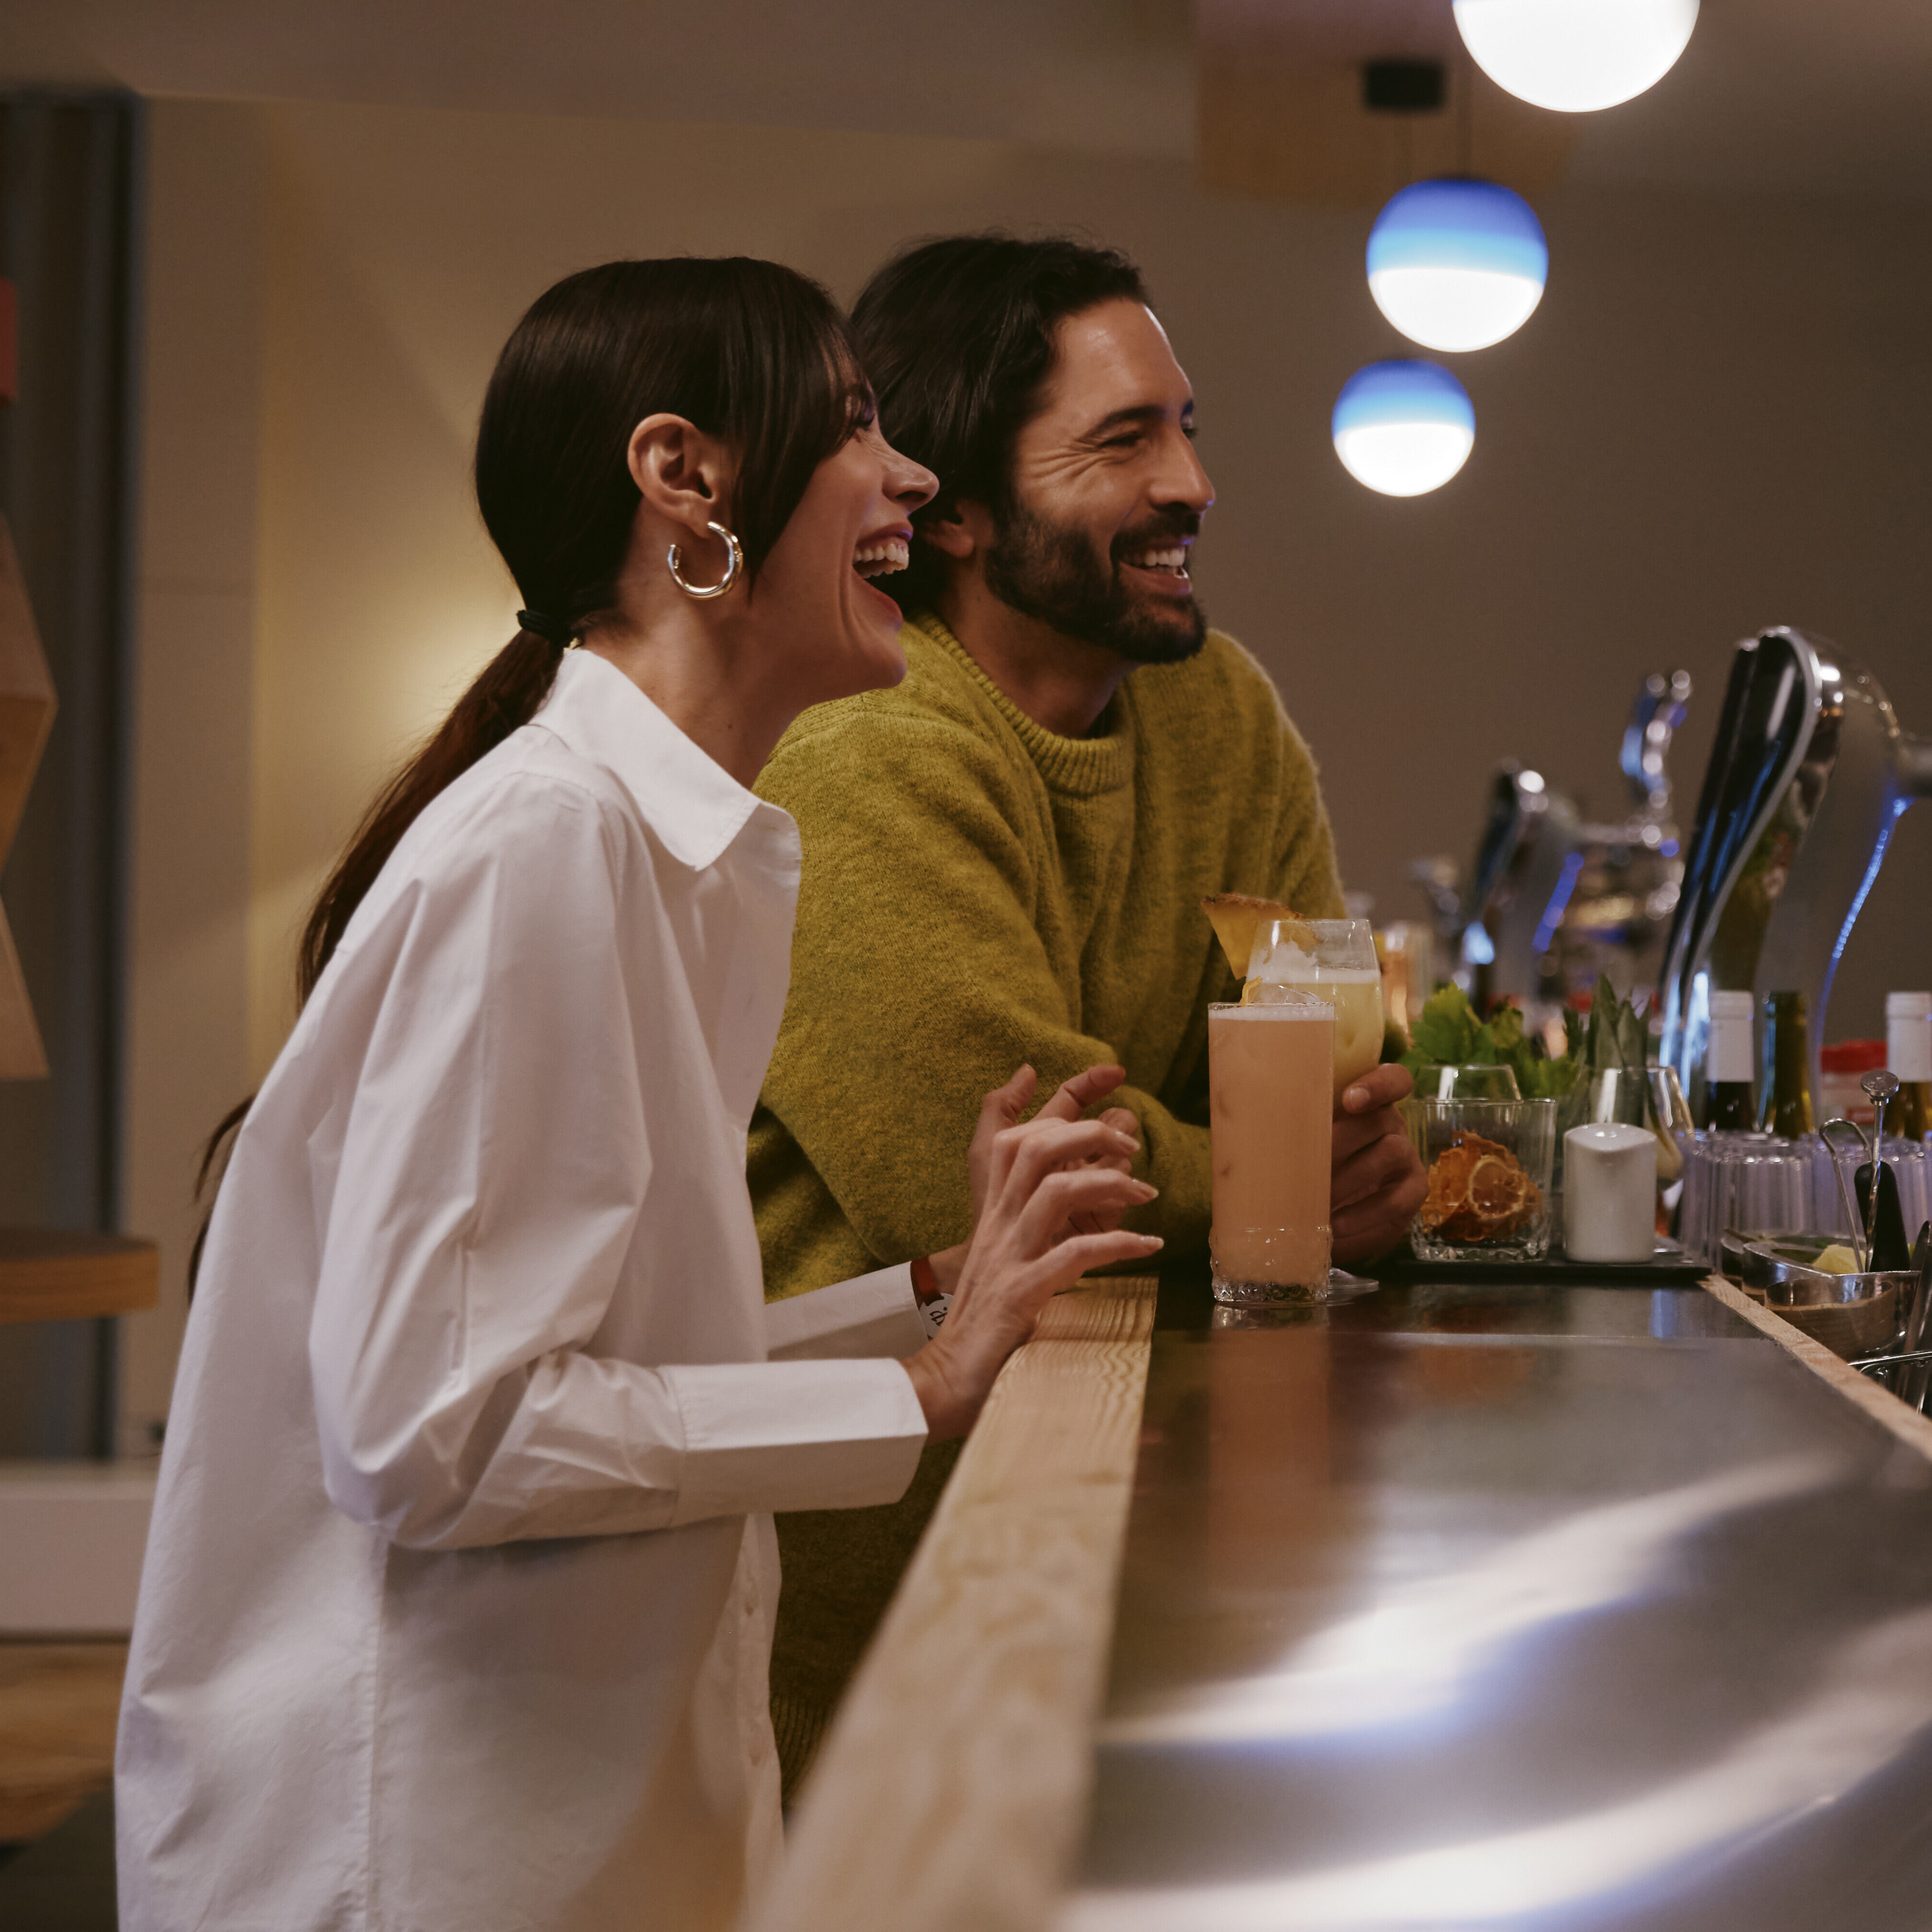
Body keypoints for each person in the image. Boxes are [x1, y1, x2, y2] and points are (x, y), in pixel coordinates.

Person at [118, 257, 1164, 1932]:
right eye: (852, 428)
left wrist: (925, 1300)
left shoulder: (676, 851)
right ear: (686, 480)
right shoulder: (549, 844)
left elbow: (599, 1366)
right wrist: (921, 1392)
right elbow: (434, 1433)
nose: (909, 481)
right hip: (428, 1855)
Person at [746, 233, 1420, 1775]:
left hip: (1124, 1521)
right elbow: (1014, 1190)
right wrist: (1278, 1178)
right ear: (958, 507)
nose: (1189, 483)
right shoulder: (869, 744)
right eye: (1124, 441)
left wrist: (1335, 1161)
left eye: (1185, 428)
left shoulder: (1222, 708)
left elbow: (1347, 1065)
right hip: (855, 1588)